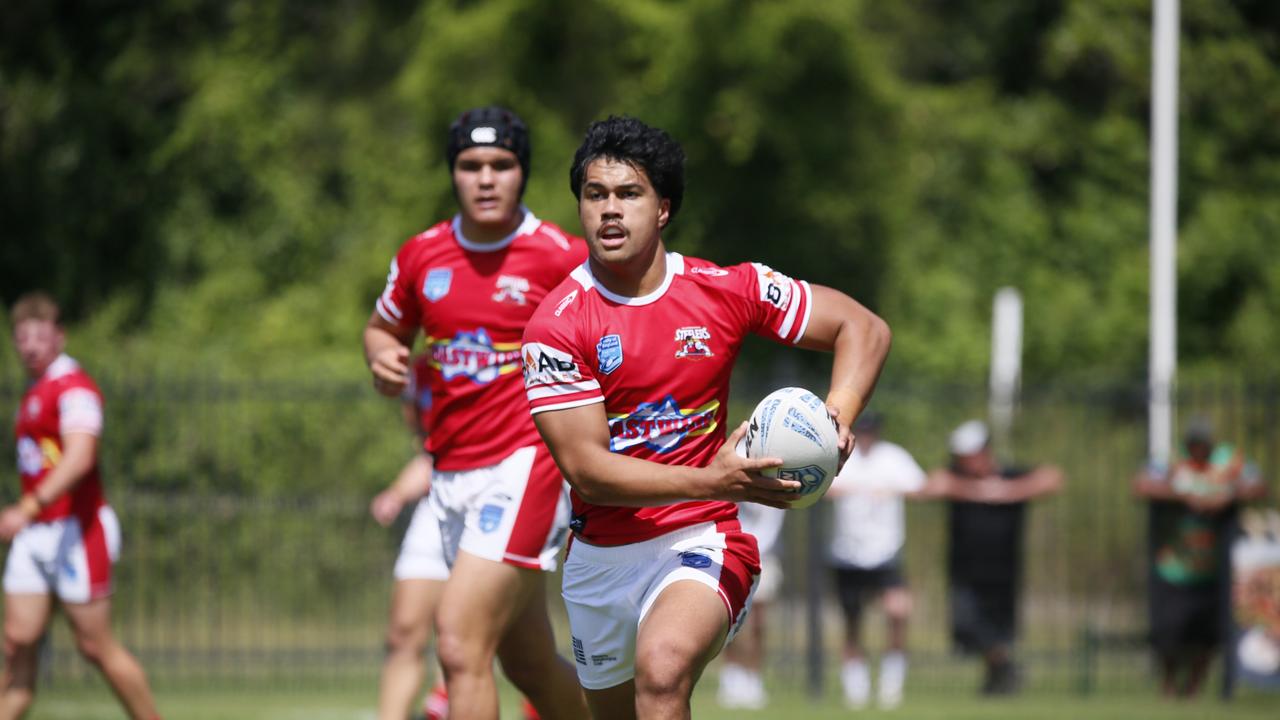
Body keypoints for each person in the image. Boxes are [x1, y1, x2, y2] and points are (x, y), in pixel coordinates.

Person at [521, 115, 892, 720]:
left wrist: (836, 421)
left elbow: (864, 328)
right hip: (599, 559)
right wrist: (715, 478)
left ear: (663, 208)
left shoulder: (725, 289)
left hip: (701, 538)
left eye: (629, 194)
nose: (609, 210)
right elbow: (588, 471)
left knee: (663, 671)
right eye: (595, 195)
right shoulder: (556, 326)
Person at [363, 106, 590, 720]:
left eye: (501, 165)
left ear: (522, 174)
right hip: (450, 476)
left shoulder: (559, 256)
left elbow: (615, 341)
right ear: (454, 173)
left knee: (459, 645)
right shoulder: (422, 255)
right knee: (530, 667)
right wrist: (384, 356)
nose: (485, 178)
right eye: (471, 165)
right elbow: (384, 329)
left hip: (526, 467)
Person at [0, 292, 161, 720]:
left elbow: (80, 456)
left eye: (39, 336)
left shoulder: (75, 389)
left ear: (59, 337)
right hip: (37, 534)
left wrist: (28, 508)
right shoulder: (36, 389)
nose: (29, 345)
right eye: (21, 337)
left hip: (77, 531)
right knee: (16, 640)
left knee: (94, 646)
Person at [926, 419, 1063, 696]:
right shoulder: (956, 478)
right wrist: (977, 492)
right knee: (969, 626)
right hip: (965, 569)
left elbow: (1053, 477)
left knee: (998, 629)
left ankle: (998, 677)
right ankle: (1004, 670)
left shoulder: (1010, 475)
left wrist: (1008, 492)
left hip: (1003, 569)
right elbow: (931, 485)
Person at [1133, 417, 1265, 698]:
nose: (1198, 449)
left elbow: (1258, 486)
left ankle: (1194, 688)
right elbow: (1142, 485)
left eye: (1203, 444)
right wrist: (1185, 496)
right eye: (1194, 444)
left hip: (1213, 567)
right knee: (1169, 633)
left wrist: (1226, 496)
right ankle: (1168, 686)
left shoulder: (1229, 460)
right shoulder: (1170, 461)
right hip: (1174, 565)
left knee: (1206, 636)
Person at [823, 411, 925, 709]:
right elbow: (817, 487)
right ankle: (856, 688)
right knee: (853, 622)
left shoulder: (893, 457)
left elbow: (921, 486)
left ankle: (891, 685)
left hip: (886, 551)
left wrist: (891, 490)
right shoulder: (838, 458)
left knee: (897, 612)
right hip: (847, 553)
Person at [716, 502, 784, 709]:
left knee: (758, 624)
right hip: (732, 552)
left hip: (765, 555)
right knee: (729, 619)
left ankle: (754, 679)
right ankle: (732, 677)